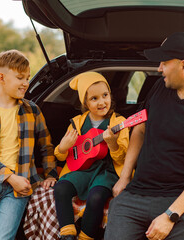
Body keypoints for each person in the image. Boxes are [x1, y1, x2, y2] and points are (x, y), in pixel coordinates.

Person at [104, 32, 184, 240]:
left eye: (164, 62)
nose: (159, 68)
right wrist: (125, 177)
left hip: (180, 201)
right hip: (136, 194)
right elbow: (140, 129)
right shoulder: (160, 88)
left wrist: (170, 215)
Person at [0, 49, 56, 240]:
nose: (26, 83)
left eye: (27, 77)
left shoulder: (32, 110)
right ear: (1, 78)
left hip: (18, 189)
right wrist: (10, 177)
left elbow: (46, 146)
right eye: (20, 77)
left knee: (3, 238)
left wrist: (51, 174)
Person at [53, 72, 129, 240]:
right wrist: (63, 147)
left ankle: (85, 237)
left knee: (96, 196)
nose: (102, 102)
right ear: (85, 103)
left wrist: (113, 144)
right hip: (83, 169)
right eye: (94, 99)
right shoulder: (77, 123)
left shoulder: (119, 123)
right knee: (61, 188)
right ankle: (67, 234)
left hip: (107, 171)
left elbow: (122, 158)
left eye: (105, 95)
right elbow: (61, 155)